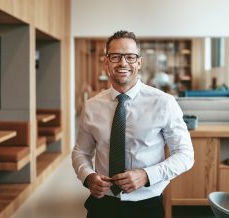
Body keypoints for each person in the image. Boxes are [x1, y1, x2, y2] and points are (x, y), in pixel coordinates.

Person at [71, 30, 194, 218]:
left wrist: (147, 175)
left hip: (147, 205)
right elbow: (81, 152)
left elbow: (185, 155)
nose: (122, 63)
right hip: (102, 204)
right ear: (106, 61)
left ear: (139, 62)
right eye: (115, 57)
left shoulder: (164, 103)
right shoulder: (92, 106)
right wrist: (87, 176)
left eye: (130, 57)